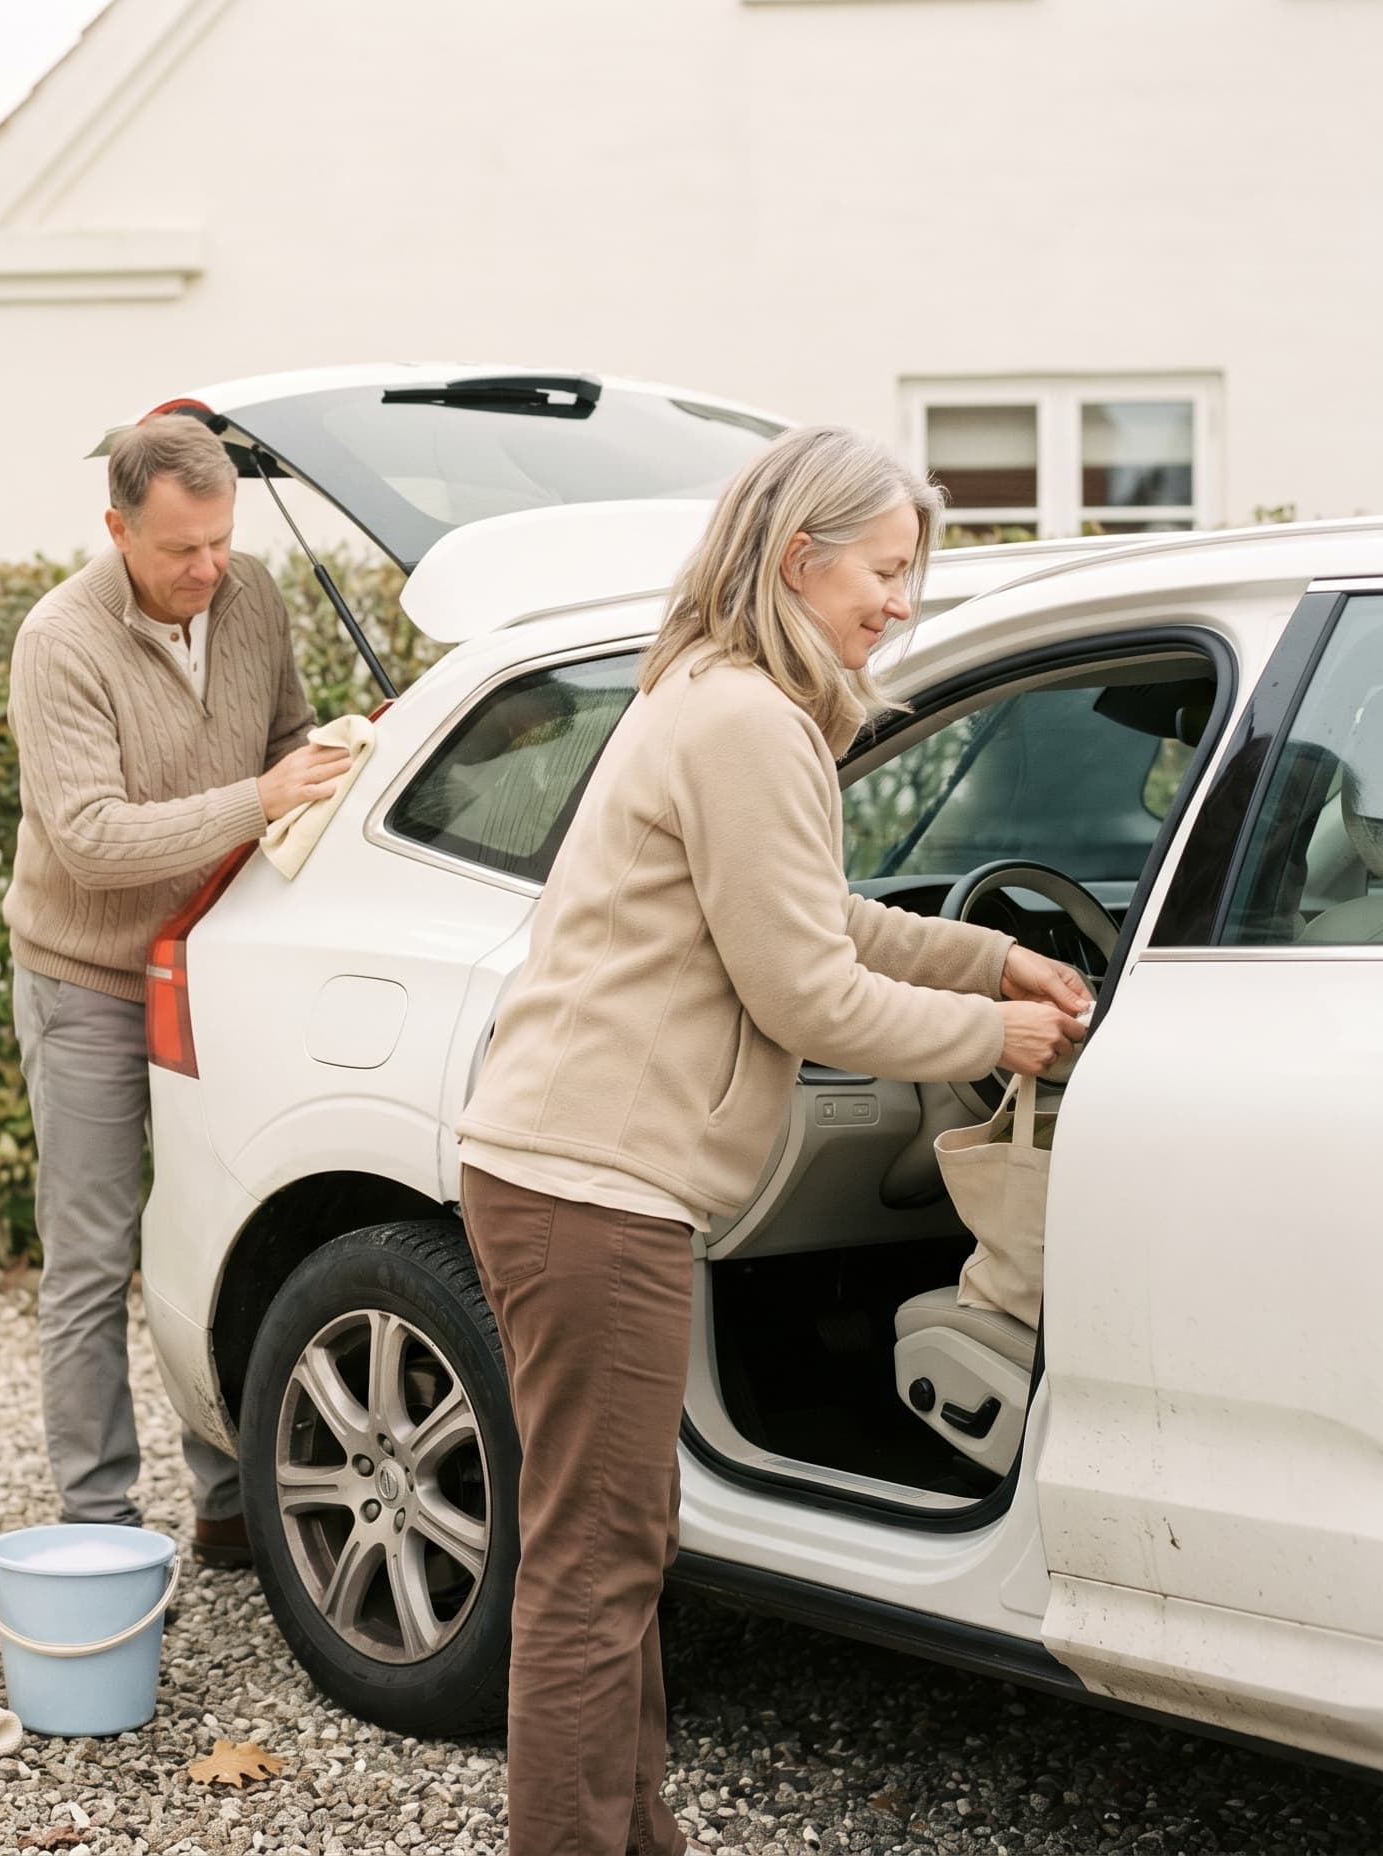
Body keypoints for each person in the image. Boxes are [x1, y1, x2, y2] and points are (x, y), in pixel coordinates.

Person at [455, 426, 1092, 1856]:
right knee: (594, 1563)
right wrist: (999, 1043)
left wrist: (987, 962)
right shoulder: (745, 719)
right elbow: (802, 990)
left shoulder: (722, 698)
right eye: (884, 571)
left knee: (615, 1545)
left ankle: (639, 1835)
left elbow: (822, 920)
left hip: (568, 1174)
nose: (899, 604)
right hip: (591, 1186)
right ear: (800, 558)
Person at [4, 414, 353, 1565]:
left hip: (218, 970)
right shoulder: (59, 642)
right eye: (179, 551)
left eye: (220, 540)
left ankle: (228, 1497)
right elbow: (93, 837)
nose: (207, 570)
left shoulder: (251, 595)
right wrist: (259, 798)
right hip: (89, 978)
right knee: (95, 1253)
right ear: (116, 529)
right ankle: (100, 1527)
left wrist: (331, 770)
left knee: (222, 1225)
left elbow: (293, 736)